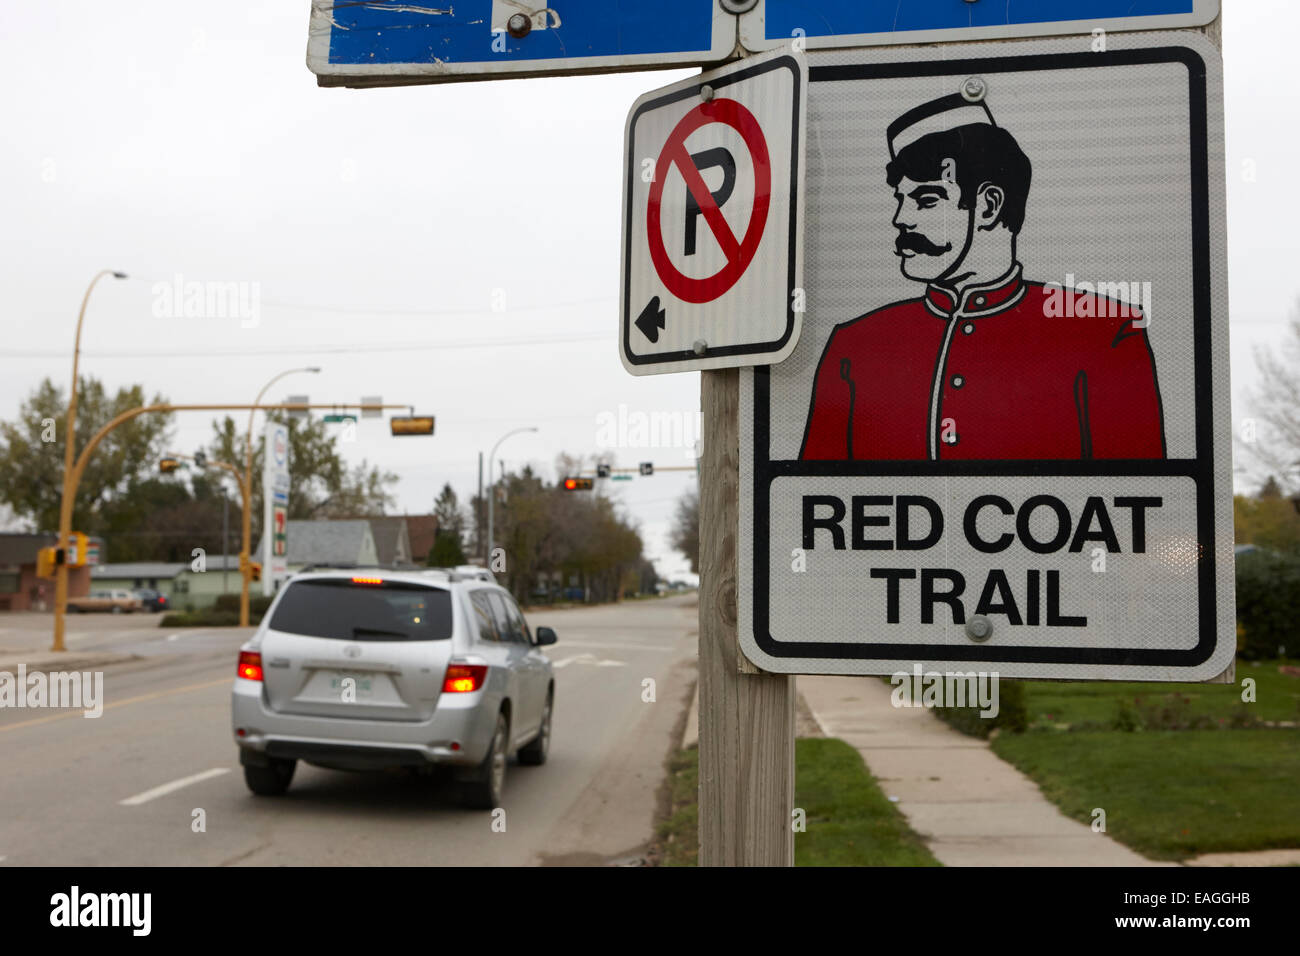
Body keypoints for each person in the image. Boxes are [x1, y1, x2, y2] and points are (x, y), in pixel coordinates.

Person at [800, 89, 1165, 461]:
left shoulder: (1104, 331)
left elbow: (1147, 504)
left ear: (989, 206)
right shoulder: (854, 347)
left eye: (926, 201)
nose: (901, 219)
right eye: (901, 200)